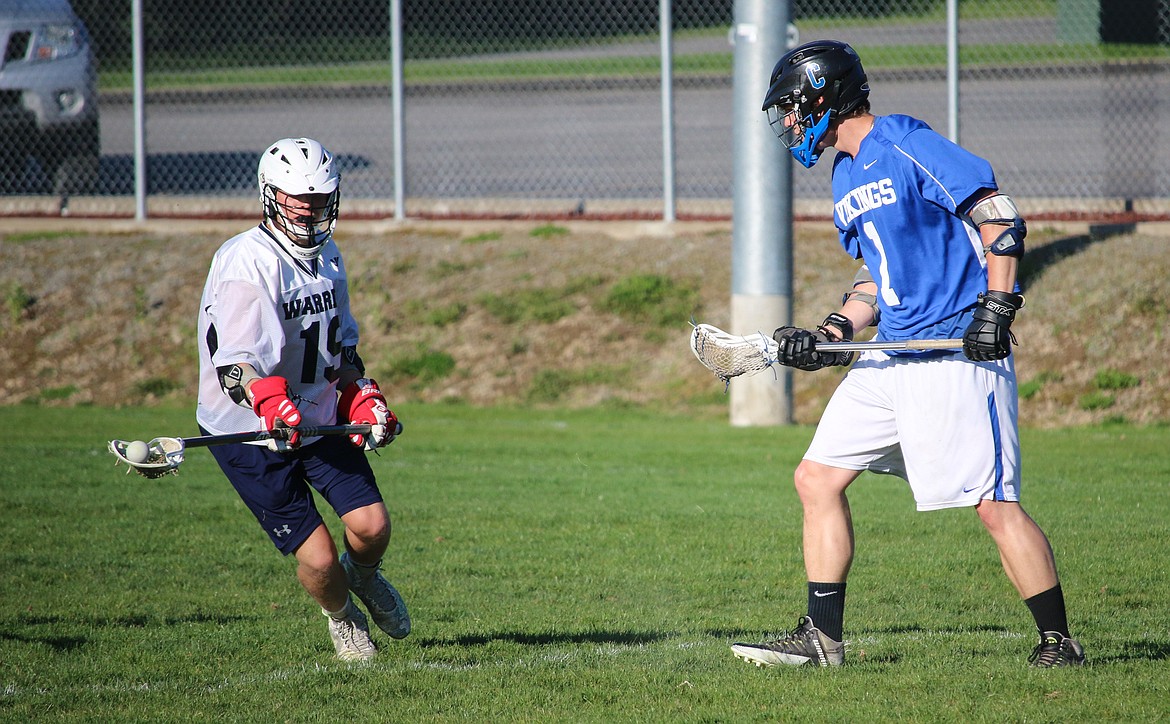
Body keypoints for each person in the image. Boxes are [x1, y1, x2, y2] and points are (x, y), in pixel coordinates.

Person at [729, 41, 1084, 669]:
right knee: (816, 478)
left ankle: (1058, 642)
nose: (787, 124)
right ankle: (822, 639)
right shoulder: (845, 174)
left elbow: (998, 218)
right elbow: (874, 277)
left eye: (791, 108)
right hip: (893, 357)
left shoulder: (904, 143)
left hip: (954, 354)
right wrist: (835, 329)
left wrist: (996, 309)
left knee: (993, 506)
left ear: (823, 98)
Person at [196, 137, 410, 662]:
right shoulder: (247, 262)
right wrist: (270, 404)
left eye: (319, 200)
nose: (309, 210)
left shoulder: (329, 255)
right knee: (318, 560)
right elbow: (233, 367)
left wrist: (360, 395)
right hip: (246, 429)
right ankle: (342, 619)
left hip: (313, 412)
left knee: (372, 526)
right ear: (271, 196)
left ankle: (364, 576)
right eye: (298, 199)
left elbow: (340, 347)